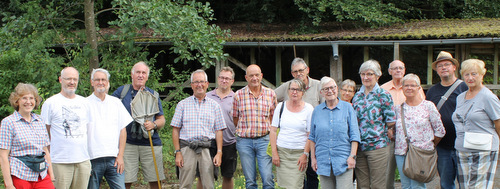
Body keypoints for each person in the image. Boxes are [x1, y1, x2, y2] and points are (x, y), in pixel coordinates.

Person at [111, 61, 166, 189]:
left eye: (143, 73)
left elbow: (161, 119)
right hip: (127, 143)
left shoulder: (154, 95)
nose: (140, 75)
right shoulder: (121, 92)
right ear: (132, 74)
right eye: (138, 72)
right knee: (125, 180)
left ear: (147, 76)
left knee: (155, 180)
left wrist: (153, 124)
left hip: (150, 141)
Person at [171, 69, 226, 189]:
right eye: (196, 82)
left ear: (207, 84)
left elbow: (219, 131)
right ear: (192, 85)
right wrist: (178, 152)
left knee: (209, 185)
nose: (199, 85)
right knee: (185, 184)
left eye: (202, 82)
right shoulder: (182, 105)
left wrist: (219, 153)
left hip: (207, 149)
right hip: (187, 148)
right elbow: (175, 130)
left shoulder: (215, 106)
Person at [274, 57, 321, 189]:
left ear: (307, 70)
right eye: (295, 71)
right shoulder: (288, 86)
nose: (298, 73)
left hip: (314, 137)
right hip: (294, 142)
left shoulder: (318, 86)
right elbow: (270, 97)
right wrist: (269, 117)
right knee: (295, 176)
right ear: (292, 73)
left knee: (311, 173)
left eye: (301, 70)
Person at [452, 59, 500, 189]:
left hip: (483, 149)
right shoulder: (460, 97)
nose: (470, 78)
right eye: (466, 74)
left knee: (477, 187)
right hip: (462, 149)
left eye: (474, 74)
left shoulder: (488, 97)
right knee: (464, 186)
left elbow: (498, 122)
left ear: (482, 75)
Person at [41, 67, 91, 189]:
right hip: (59, 161)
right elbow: (43, 133)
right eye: (68, 79)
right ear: (60, 80)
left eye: (75, 79)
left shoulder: (84, 102)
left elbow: (87, 130)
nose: (72, 82)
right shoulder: (51, 103)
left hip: (82, 160)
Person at [394, 74, 446, 189]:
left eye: (413, 85)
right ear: (402, 88)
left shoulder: (428, 106)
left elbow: (440, 131)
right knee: (405, 185)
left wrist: (430, 144)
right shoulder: (398, 108)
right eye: (406, 85)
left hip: (421, 153)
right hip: (402, 152)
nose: (409, 88)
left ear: (419, 88)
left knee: (418, 185)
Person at [426, 51, 468, 189]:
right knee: (446, 184)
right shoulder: (432, 91)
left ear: (454, 67)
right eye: (440, 66)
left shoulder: (465, 87)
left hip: (464, 145)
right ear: (437, 70)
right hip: (442, 146)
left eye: (447, 65)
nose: (443, 67)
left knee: (466, 183)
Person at [380, 60, 425, 189]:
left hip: (410, 140)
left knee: (414, 175)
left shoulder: (413, 87)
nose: (398, 70)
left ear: (404, 70)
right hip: (388, 137)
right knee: (387, 172)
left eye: (400, 68)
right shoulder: (383, 89)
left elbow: (421, 110)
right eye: (394, 68)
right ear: (389, 71)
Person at [309, 77, 360, 189]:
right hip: (323, 161)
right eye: (326, 89)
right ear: (321, 92)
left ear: (337, 89)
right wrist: (313, 158)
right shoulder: (317, 111)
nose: (330, 91)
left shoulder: (347, 108)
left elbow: (354, 134)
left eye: (332, 87)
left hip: (344, 160)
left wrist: (352, 156)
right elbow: (312, 137)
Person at [0, 83, 55, 188]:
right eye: (24, 98)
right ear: (17, 101)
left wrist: (51, 175)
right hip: (20, 174)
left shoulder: (40, 120)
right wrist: (9, 184)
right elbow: (3, 156)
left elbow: (45, 150)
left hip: (41, 174)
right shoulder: (8, 122)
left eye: (31, 98)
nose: (28, 102)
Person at [352, 60, 396, 189]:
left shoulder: (384, 95)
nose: (366, 77)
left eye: (370, 74)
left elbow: (391, 121)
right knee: (362, 185)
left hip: (378, 147)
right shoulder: (357, 96)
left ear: (377, 76)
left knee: (378, 185)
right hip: (360, 148)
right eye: (363, 74)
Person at [233, 64, 277, 189]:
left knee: (267, 178)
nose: (254, 78)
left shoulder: (270, 94)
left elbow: (273, 117)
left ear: (261, 76)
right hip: (244, 142)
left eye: (257, 75)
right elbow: (235, 118)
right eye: (251, 75)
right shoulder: (238, 95)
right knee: (250, 181)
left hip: (264, 140)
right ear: (246, 77)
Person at [87, 69, 133, 189]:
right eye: (97, 80)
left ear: (107, 82)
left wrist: (120, 155)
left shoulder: (116, 103)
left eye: (103, 80)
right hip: (92, 158)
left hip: (114, 158)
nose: (100, 82)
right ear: (92, 82)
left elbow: (123, 130)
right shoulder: (84, 103)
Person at [270, 79, 314, 188]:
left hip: (299, 154)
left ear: (303, 92)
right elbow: (273, 130)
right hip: (282, 153)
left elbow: (310, 135)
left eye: (298, 90)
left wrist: (305, 154)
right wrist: (274, 153)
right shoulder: (280, 107)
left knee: (296, 185)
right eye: (292, 89)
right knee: (284, 185)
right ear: (288, 91)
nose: (294, 92)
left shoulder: (309, 109)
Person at [200, 66, 238, 189]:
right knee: (204, 174)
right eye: (222, 77)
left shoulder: (236, 98)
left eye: (227, 78)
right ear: (217, 79)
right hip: (209, 142)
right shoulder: (207, 96)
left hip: (229, 142)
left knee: (227, 175)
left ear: (232, 81)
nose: (224, 81)